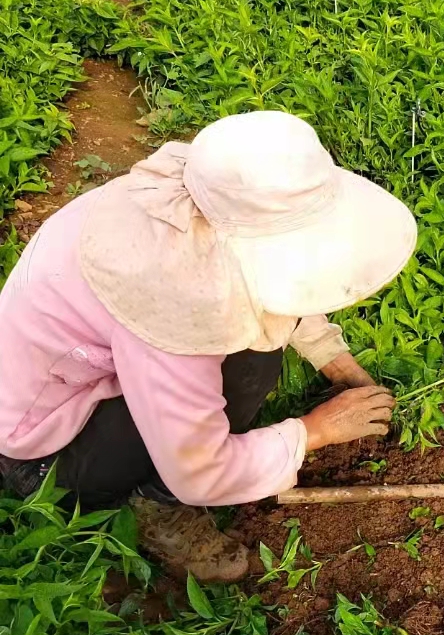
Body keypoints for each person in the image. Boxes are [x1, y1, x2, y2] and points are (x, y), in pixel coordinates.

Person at [0, 110, 417, 581]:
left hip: (63, 385)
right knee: (251, 363)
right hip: (43, 457)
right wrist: (315, 430)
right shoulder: (170, 298)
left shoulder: (190, 204)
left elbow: (278, 278)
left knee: (251, 339)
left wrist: (335, 362)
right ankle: (157, 509)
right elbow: (200, 470)